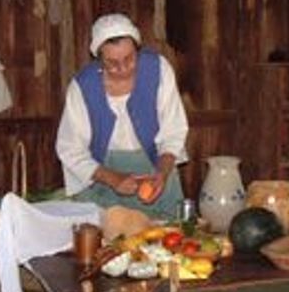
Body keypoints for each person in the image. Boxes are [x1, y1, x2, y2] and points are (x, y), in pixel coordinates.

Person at [56, 13, 189, 219]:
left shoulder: (159, 70)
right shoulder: (83, 87)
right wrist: (112, 178)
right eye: (112, 63)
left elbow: (173, 130)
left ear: (138, 49)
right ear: (98, 59)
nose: (123, 68)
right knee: (109, 240)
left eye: (129, 58)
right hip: (103, 176)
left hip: (154, 169)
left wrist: (161, 174)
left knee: (164, 239)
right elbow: (70, 149)